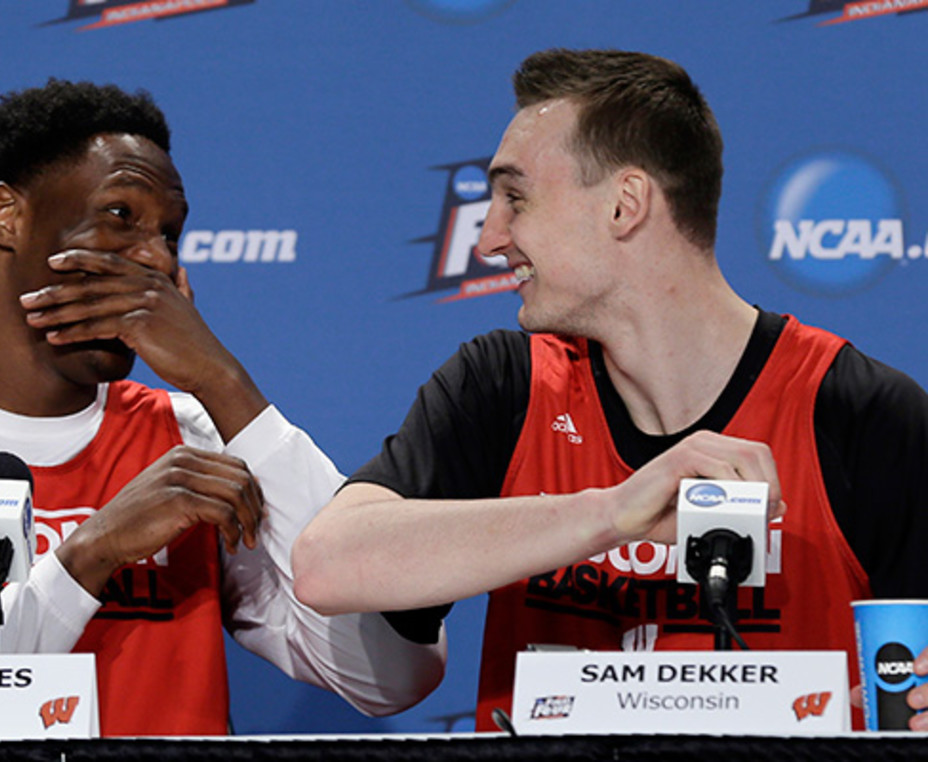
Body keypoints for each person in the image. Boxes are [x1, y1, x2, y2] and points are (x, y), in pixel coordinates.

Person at [0, 79, 444, 737]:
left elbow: (387, 676)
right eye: (120, 218)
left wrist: (228, 390)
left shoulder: (192, 439)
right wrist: (90, 554)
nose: (157, 259)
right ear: (6, 216)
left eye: (170, 235)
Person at [292, 49, 928, 732]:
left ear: (625, 205)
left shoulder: (859, 413)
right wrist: (612, 514)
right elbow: (327, 564)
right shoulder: (503, 386)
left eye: (515, 197)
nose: (489, 240)